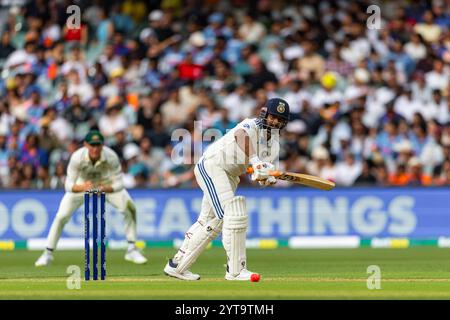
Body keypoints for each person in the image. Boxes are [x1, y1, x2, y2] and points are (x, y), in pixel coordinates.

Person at [163, 98, 290, 281]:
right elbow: (240, 136)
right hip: (213, 166)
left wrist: (265, 178)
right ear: (265, 114)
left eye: (279, 119)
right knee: (231, 214)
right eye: (273, 117)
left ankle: (177, 265)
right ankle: (236, 270)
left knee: (207, 221)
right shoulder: (251, 124)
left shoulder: (274, 146)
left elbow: (258, 175)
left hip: (230, 176)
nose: (275, 122)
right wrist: (255, 161)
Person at [35, 130, 147, 266]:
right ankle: (48, 253)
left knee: (130, 208)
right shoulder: (77, 157)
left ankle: (132, 249)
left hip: (105, 185)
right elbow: (68, 185)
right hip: (83, 186)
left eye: (98, 145)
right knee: (61, 216)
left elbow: (119, 183)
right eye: (92, 145)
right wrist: (83, 187)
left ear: (102, 145)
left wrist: (104, 188)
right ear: (85, 145)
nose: (95, 148)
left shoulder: (111, 156)